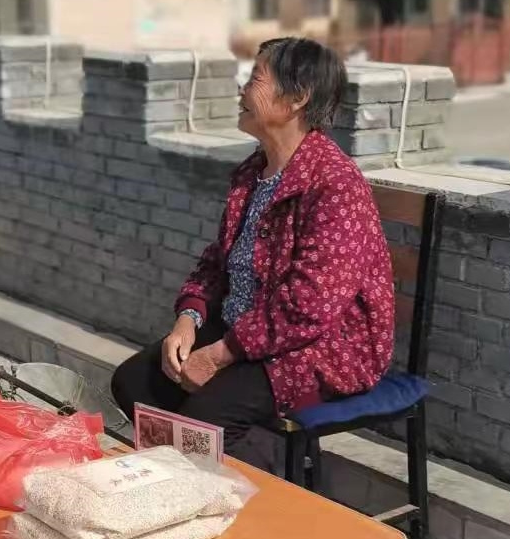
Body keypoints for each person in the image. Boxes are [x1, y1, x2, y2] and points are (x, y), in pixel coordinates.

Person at [110, 37, 395, 460]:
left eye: (255, 79)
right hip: (245, 331)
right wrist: (188, 320)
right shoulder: (253, 172)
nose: (241, 89)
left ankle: (232, 492)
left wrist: (218, 356)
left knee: (205, 420)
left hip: (319, 347)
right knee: (135, 383)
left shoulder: (335, 185)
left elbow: (309, 305)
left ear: (297, 97)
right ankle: (176, 479)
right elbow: (217, 263)